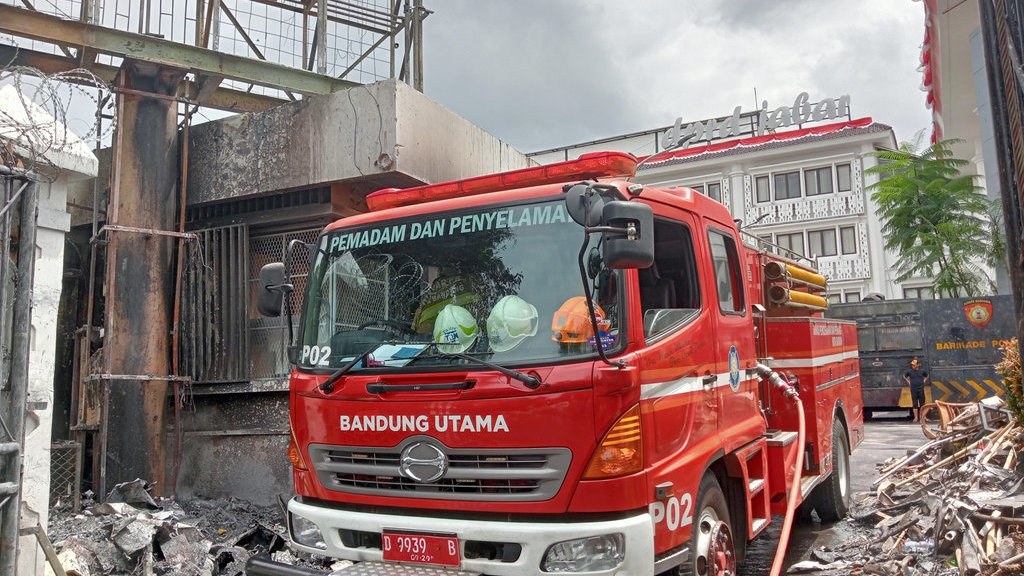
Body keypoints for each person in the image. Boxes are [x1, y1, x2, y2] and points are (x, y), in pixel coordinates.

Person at [903, 357, 930, 422]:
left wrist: (924, 380)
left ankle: (923, 417)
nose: (913, 366)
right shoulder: (910, 371)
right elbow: (904, 376)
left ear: (917, 365)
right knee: (914, 403)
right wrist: (908, 382)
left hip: (921, 388)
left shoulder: (922, 371)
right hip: (913, 389)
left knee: (922, 403)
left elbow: (927, 375)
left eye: (914, 365)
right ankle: (916, 417)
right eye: (912, 365)